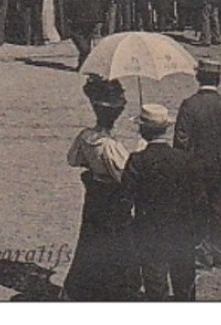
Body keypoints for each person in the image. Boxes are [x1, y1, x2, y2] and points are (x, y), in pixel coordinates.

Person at [63, 76, 140, 299]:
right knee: (116, 242)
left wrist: (92, 163)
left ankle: (84, 285)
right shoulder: (110, 145)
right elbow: (125, 175)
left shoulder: (86, 136)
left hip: (94, 194)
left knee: (90, 238)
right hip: (112, 198)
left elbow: (73, 160)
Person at [124, 103, 208, 300]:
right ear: (166, 129)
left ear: (143, 130)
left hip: (150, 233)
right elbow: (200, 201)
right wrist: (199, 233)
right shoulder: (187, 160)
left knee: (155, 287)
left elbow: (125, 199)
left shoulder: (137, 160)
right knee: (185, 285)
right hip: (183, 232)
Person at [173, 59, 221, 268]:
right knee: (218, 207)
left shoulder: (189, 104)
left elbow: (181, 140)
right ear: (219, 79)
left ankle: (201, 250)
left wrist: (183, 163)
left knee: (196, 207)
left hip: (195, 166)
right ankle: (218, 251)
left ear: (198, 77)